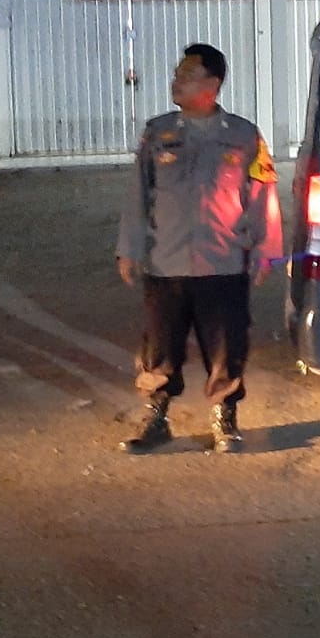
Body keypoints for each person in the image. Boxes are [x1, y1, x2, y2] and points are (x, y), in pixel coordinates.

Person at [115, 43, 281, 453]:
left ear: (212, 83)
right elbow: (138, 195)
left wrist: (266, 250)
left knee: (226, 347)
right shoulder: (158, 133)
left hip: (223, 263)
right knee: (159, 348)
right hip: (165, 262)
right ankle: (157, 418)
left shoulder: (244, 136)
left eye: (187, 74)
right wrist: (129, 248)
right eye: (177, 73)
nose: (176, 80)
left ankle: (225, 419)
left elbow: (263, 195)